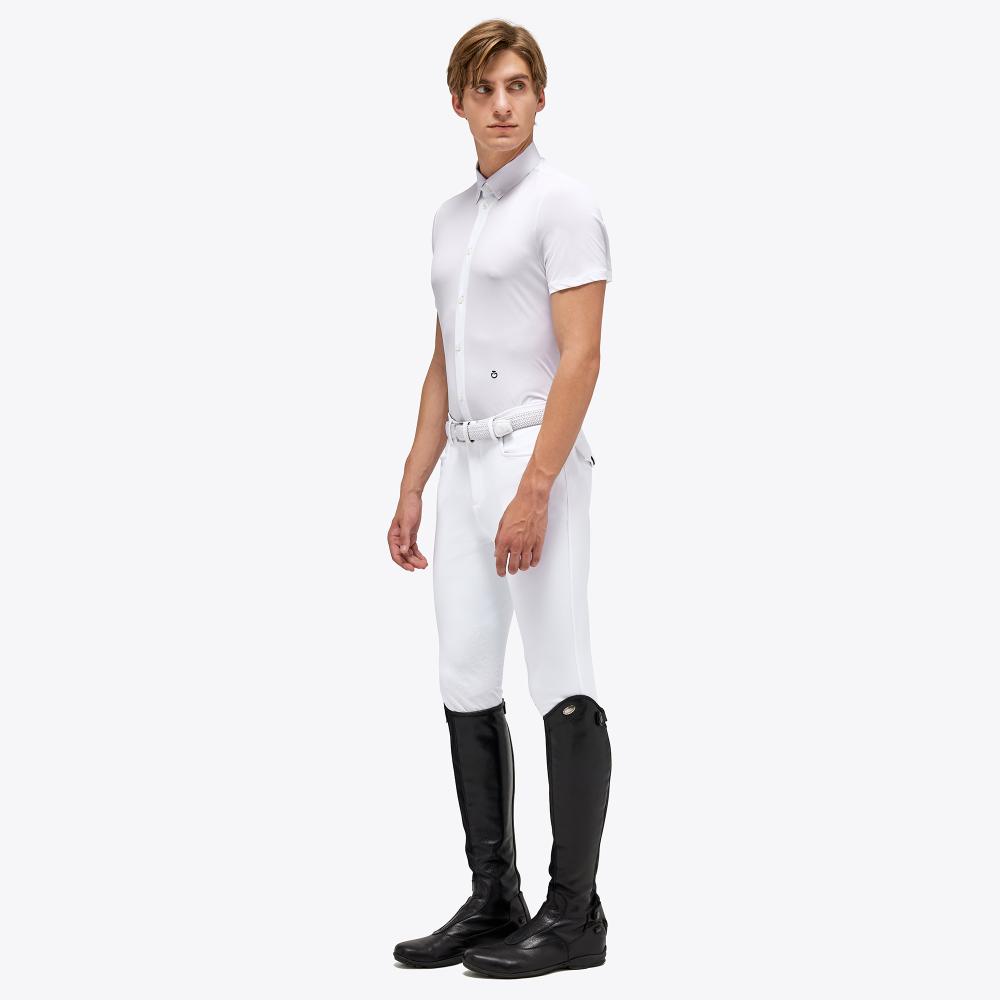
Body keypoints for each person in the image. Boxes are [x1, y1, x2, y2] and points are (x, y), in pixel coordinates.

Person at [387, 19, 613, 979]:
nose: (502, 104)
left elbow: (583, 357)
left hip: (534, 454)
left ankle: (575, 914)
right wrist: (412, 482)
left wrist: (536, 487)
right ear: (459, 102)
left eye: (517, 84)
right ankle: (494, 897)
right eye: (484, 88)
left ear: (541, 95)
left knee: (561, 675)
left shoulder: (564, 206)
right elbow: (444, 360)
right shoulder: (449, 219)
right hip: (467, 462)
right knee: (465, 678)